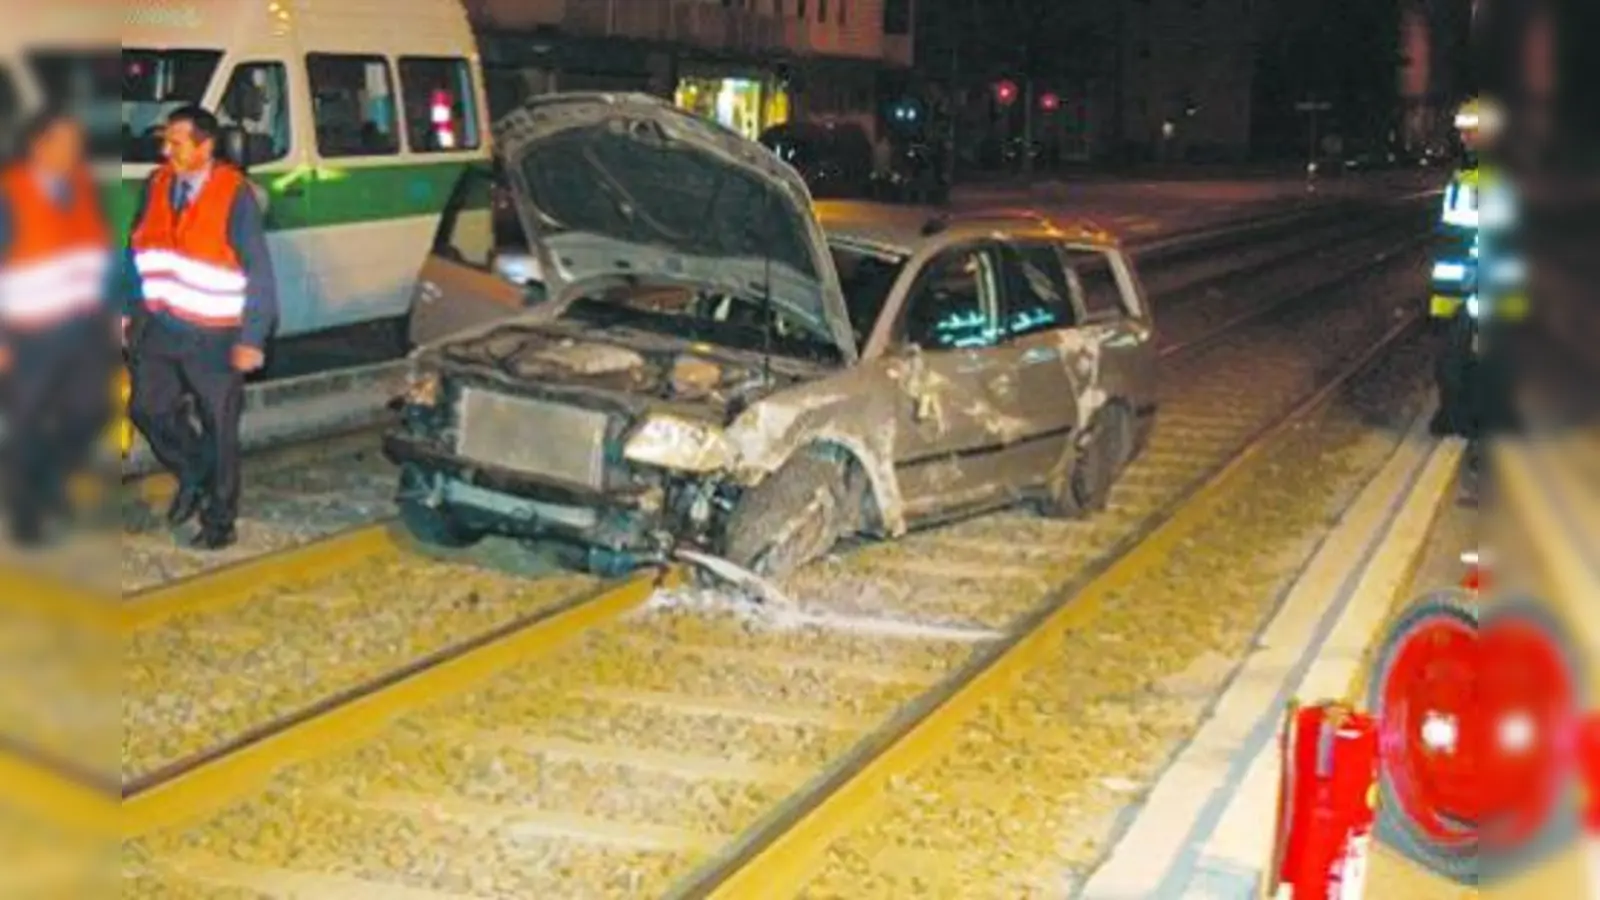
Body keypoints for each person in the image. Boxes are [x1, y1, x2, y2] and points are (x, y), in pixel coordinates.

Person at [124, 105, 277, 550]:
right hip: (160, 325)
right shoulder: (157, 185)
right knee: (147, 410)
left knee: (220, 428)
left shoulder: (234, 195)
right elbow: (136, 251)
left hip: (215, 334)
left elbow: (259, 272)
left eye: (176, 142)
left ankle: (219, 520)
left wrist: (253, 337)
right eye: (165, 141)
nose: (166, 149)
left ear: (205, 147)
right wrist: (126, 308)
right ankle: (194, 472)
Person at [0, 109, 115, 546]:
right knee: (25, 424)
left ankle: (47, 482)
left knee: (90, 412)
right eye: (65, 143)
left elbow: (94, 256)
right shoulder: (11, 193)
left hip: (80, 329)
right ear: (39, 145)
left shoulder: (81, 188)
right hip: (28, 333)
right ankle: (27, 515)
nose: (74, 152)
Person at [1429, 97, 1523, 437]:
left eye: (1473, 133)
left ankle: (1492, 422)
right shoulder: (1462, 176)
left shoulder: (1503, 178)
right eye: (1463, 133)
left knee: (1495, 360)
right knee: (1451, 360)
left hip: (1493, 284)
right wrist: (1441, 299)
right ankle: (1454, 414)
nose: (1466, 139)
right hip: (1460, 285)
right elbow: (1450, 236)